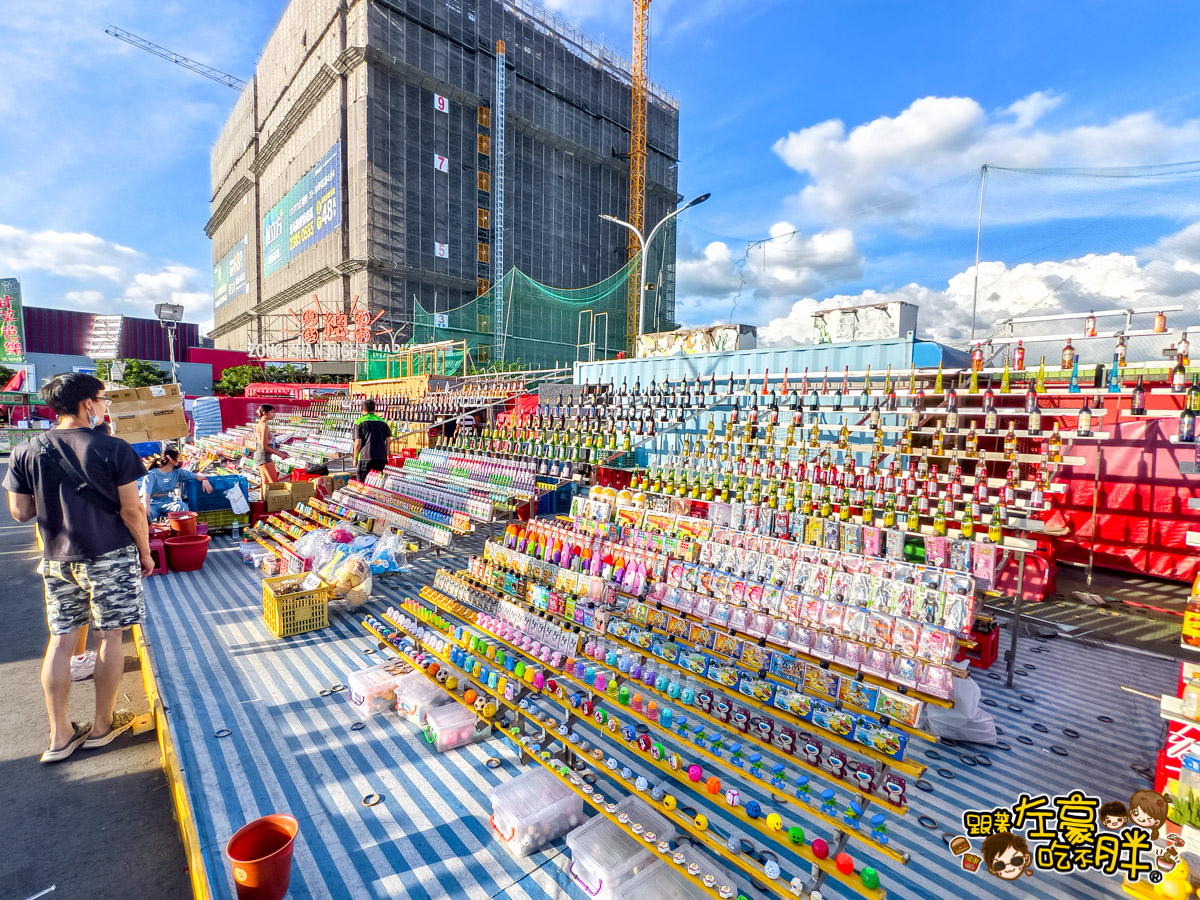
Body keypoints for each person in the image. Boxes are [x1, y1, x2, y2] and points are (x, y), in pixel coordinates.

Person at [3, 373, 154, 763]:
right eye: (103, 399)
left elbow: (19, 512)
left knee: (62, 641)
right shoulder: (114, 449)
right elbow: (132, 510)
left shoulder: (26, 450)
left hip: (56, 557)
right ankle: (102, 727)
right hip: (109, 556)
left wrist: (56, 499)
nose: (105, 406)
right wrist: (146, 551)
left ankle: (59, 734)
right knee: (109, 638)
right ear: (88, 404)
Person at [141, 447, 213, 520]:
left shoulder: (177, 472)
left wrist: (204, 480)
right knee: (145, 515)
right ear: (172, 461)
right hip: (152, 503)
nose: (180, 461)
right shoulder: (151, 474)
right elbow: (146, 494)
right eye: (179, 460)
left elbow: (195, 475)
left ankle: (182, 529)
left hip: (169, 502)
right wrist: (146, 508)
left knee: (182, 506)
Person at [353, 398, 392, 482]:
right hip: (381, 457)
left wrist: (355, 458)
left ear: (363, 409)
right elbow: (388, 440)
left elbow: (358, 442)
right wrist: (387, 454)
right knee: (378, 483)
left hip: (365, 457)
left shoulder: (359, 422)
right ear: (374, 409)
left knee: (362, 483)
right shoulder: (382, 422)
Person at [253, 404, 288, 485]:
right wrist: (279, 454)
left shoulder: (259, 424)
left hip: (260, 455)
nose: (273, 414)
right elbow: (264, 446)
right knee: (274, 484)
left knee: (265, 484)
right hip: (264, 456)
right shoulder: (264, 426)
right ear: (265, 413)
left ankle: (263, 498)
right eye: (272, 412)